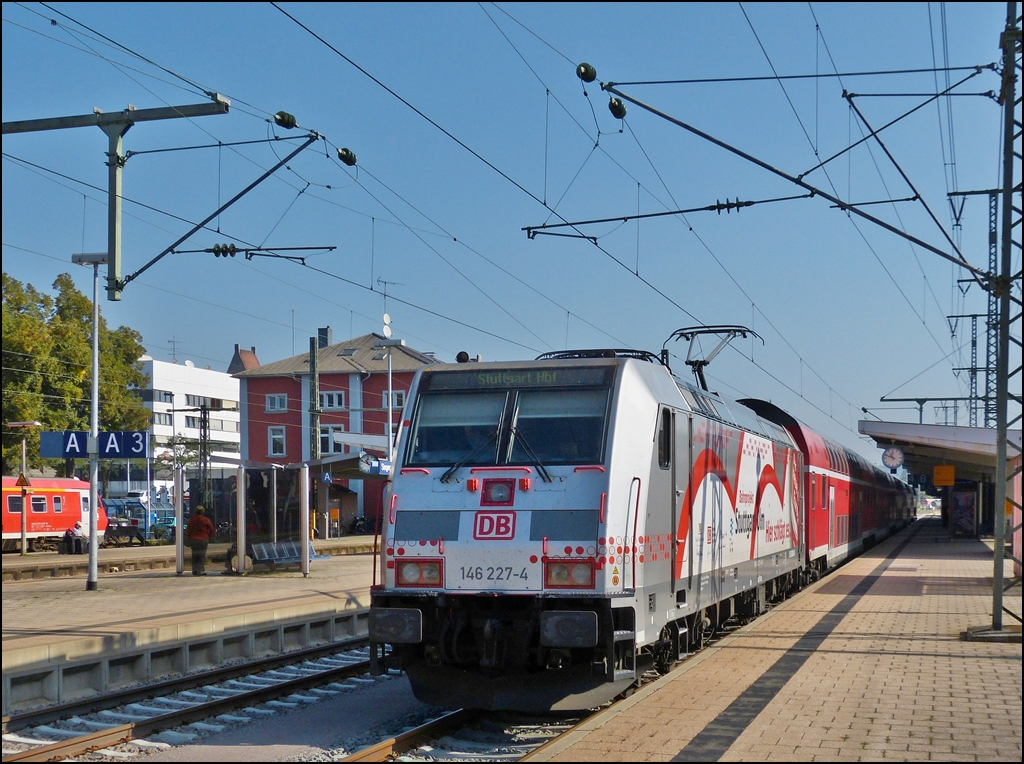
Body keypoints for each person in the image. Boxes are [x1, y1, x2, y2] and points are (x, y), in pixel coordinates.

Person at [185, 505, 216, 576]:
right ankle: (200, 570)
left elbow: (188, 530)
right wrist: (209, 536)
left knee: (194, 555)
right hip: (203, 539)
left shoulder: (192, 519)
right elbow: (211, 529)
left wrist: (189, 537)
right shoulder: (205, 520)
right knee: (201, 555)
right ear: (203, 512)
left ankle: (195, 570)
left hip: (193, 539)